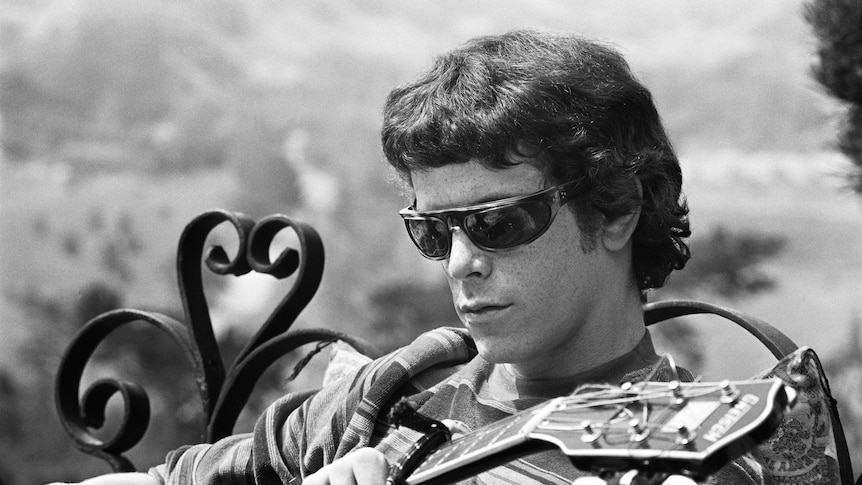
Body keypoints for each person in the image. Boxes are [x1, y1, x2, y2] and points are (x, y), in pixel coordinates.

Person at [57, 30, 772, 485]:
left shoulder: (686, 459)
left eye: (495, 221)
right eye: (434, 231)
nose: (459, 262)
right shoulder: (399, 387)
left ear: (616, 207)